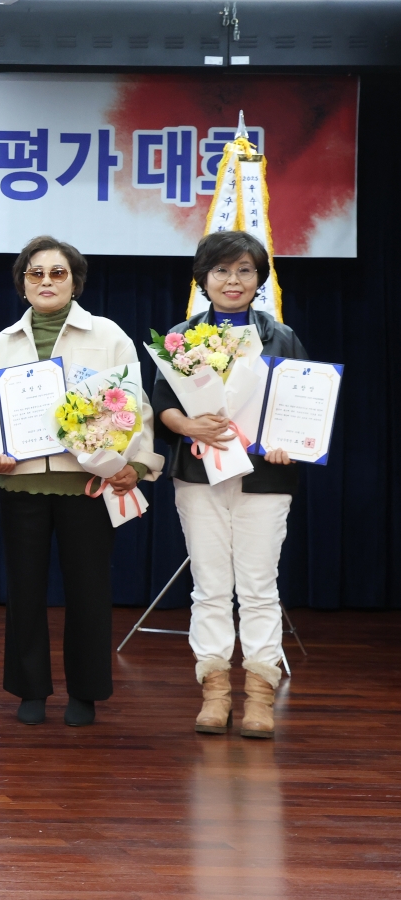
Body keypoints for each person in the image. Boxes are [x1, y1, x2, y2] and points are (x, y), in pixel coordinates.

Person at [0, 236, 163, 727]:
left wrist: (137, 465)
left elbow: (137, 407)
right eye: (35, 273)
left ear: (75, 282)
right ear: (22, 284)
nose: (46, 282)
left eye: (57, 273)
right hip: (20, 485)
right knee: (23, 591)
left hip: (87, 485)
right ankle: (29, 690)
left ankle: (85, 693)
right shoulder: (2, 344)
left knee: (88, 591)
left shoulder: (108, 336)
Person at [153, 231, 308, 740]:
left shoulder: (281, 336)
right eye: (221, 271)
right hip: (200, 473)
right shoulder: (180, 336)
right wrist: (186, 425)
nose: (233, 280)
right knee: (211, 587)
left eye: (244, 270)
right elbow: (162, 404)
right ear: (204, 280)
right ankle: (215, 693)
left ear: (259, 279)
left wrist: (290, 441)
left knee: (260, 587)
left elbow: (301, 400)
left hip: (266, 475)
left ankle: (260, 693)